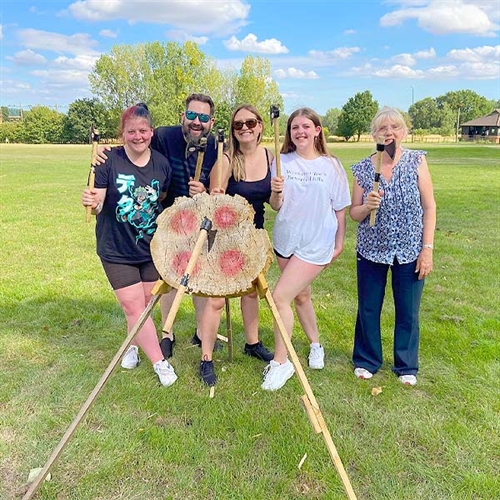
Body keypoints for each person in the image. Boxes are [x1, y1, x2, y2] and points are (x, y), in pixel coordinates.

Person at [96, 94, 218, 366]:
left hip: (199, 223)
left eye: (204, 117)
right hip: (165, 224)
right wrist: (105, 152)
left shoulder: (216, 147)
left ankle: (201, 333)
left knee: (194, 282)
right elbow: (135, 145)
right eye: (192, 115)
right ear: (183, 116)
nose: (197, 122)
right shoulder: (163, 136)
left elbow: (222, 184)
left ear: (212, 121)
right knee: (164, 286)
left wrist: (205, 191)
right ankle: (166, 334)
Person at [81, 103, 177, 387]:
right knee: (133, 306)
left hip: (149, 248)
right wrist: (93, 203)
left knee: (144, 306)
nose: (138, 136)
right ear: (122, 133)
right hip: (115, 249)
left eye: (143, 130)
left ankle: (132, 346)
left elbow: (161, 200)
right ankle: (161, 363)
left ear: (151, 131)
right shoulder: (108, 160)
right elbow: (98, 203)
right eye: (131, 131)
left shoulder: (161, 163)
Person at [261, 107, 351, 391]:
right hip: (286, 240)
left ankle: (281, 362)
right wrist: (275, 192)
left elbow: (339, 209)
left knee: (279, 298)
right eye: (294, 127)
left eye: (305, 126)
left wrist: (339, 242)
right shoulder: (281, 161)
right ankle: (315, 344)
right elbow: (276, 206)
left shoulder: (331, 165)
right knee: (301, 296)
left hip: (316, 243)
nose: (300, 131)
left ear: (317, 130)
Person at [349, 106, 436, 387]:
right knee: (369, 307)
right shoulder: (364, 168)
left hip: (409, 249)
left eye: (395, 127)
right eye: (383, 128)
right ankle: (367, 359)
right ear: (374, 134)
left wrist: (427, 249)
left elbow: (429, 206)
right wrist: (367, 206)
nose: (389, 132)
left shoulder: (416, 161)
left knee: (408, 309)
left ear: (404, 132)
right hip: (372, 249)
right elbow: (354, 213)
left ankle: (406, 364)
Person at [198, 104, 274, 386]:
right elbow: (213, 198)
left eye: (250, 123)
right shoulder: (226, 158)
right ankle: (206, 358)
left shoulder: (270, 157)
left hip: (253, 236)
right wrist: (216, 192)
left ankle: (251, 343)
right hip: (225, 237)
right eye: (238, 125)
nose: (244, 128)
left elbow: (274, 202)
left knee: (251, 293)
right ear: (232, 130)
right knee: (217, 299)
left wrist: (277, 193)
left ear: (260, 126)